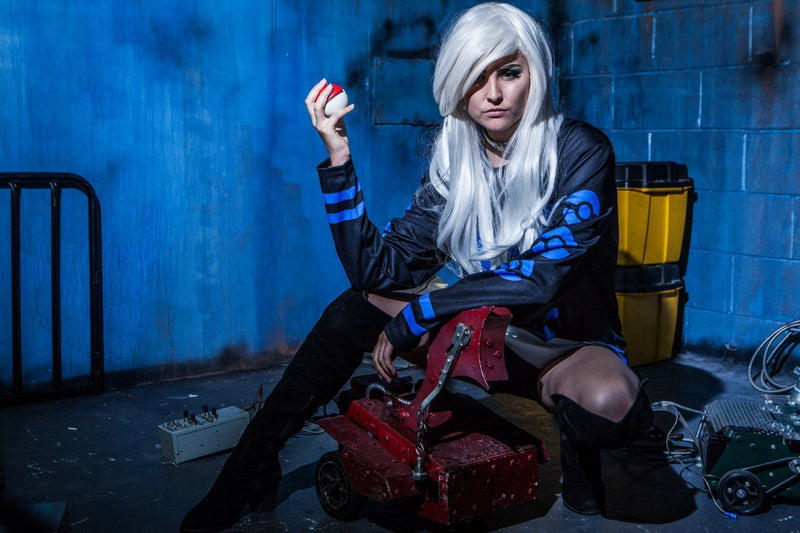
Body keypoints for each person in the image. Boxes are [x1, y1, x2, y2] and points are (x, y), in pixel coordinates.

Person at [180, 3, 653, 531]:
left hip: (561, 350)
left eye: (509, 73)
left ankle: (584, 471)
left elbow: (544, 277)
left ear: (535, 74)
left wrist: (424, 311)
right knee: (354, 309)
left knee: (611, 403)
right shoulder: (456, 163)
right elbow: (376, 273)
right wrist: (339, 160)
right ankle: (251, 465)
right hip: (482, 337)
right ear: (456, 83)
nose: (493, 94)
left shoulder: (581, 151)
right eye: (476, 77)